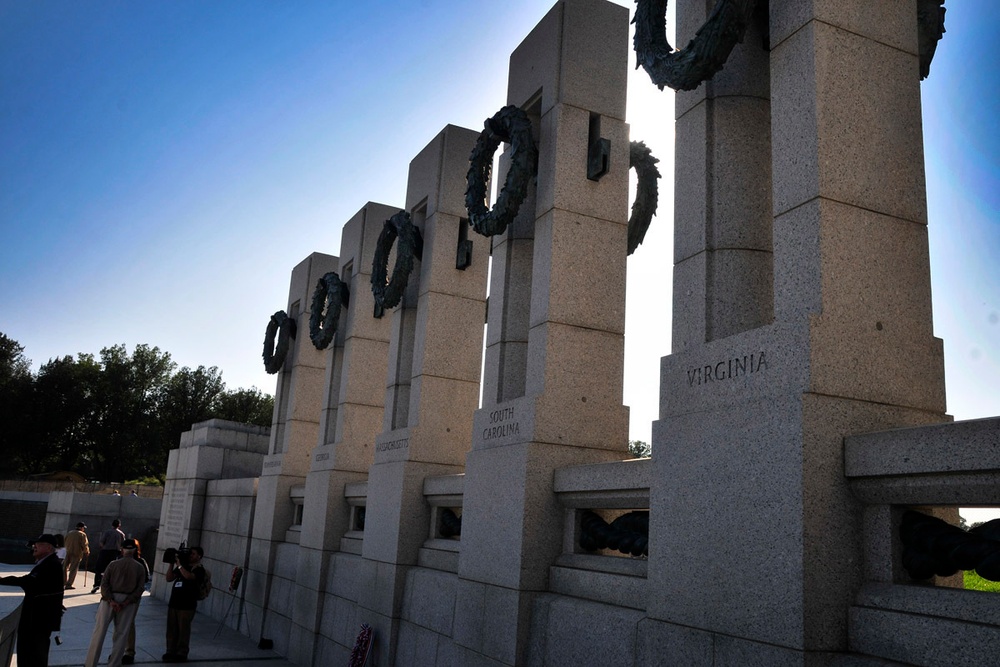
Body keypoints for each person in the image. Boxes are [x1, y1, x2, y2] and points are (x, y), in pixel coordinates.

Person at [0, 534, 65, 667]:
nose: (34, 547)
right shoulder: (48, 563)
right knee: (31, 655)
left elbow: (29, 582)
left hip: (37, 621)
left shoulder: (51, 565)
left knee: (32, 656)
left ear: (48, 547)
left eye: (38, 544)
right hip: (37, 621)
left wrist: (2, 580)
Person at [84, 538, 147, 667]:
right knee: (122, 634)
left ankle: (90, 663)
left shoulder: (113, 564)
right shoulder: (139, 567)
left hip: (109, 600)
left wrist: (111, 600)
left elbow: (104, 584)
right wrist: (126, 602)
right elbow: (140, 588)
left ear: (122, 549)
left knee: (99, 632)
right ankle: (114, 663)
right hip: (128, 602)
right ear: (135, 550)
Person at [163, 546, 206, 663]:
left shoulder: (199, 569)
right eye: (190, 554)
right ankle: (170, 651)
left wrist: (179, 564)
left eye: (193, 554)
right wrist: (171, 564)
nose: (190, 556)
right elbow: (169, 578)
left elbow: (188, 576)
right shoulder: (183, 566)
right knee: (171, 629)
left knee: (183, 630)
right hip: (174, 603)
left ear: (199, 556)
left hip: (187, 605)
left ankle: (182, 652)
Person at [121, 540, 151, 665]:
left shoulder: (140, 562)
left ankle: (129, 652)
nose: (128, 551)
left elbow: (144, 581)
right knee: (119, 625)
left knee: (128, 623)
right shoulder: (118, 561)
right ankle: (118, 650)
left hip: (132, 597)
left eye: (131, 548)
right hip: (119, 596)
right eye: (126, 548)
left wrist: (132, 597)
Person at [92, 519, 125, 594]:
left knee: (99, 568)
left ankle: (97, 584)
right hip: (115, 552)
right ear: (119, 525)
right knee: (111, 569)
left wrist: (103, 548)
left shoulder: (107, 532)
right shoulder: (121, 534)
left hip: (105, 551)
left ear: (112, 524)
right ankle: (109, 586)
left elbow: (101, 542)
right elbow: (123, 545)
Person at [64, 521, 90, 589]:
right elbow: (84, 545)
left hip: (68, 552)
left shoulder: (70, 533)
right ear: (81, 528)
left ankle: (63, 581)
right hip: (77, 553)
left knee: (65, 568)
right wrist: (87, 552)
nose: (84, 529)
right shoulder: (82, 534)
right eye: (83, 528)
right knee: (73, 569)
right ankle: (69, 584)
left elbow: (65, 541)